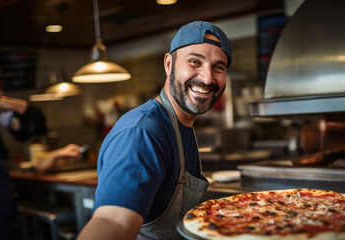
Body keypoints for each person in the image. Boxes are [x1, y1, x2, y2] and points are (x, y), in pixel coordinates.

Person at [78, 21, 232, 239]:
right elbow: (112, 222)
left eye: (218, 67)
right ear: (169, 64)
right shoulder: (141, 134)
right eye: (195, 62)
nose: (207, 78)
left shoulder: (184, 125)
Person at [0, 60, 82, 240]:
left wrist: (51, 157)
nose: (1, 95)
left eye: (1, 89)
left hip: (6, 221)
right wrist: (1, 105)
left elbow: (6, 173)